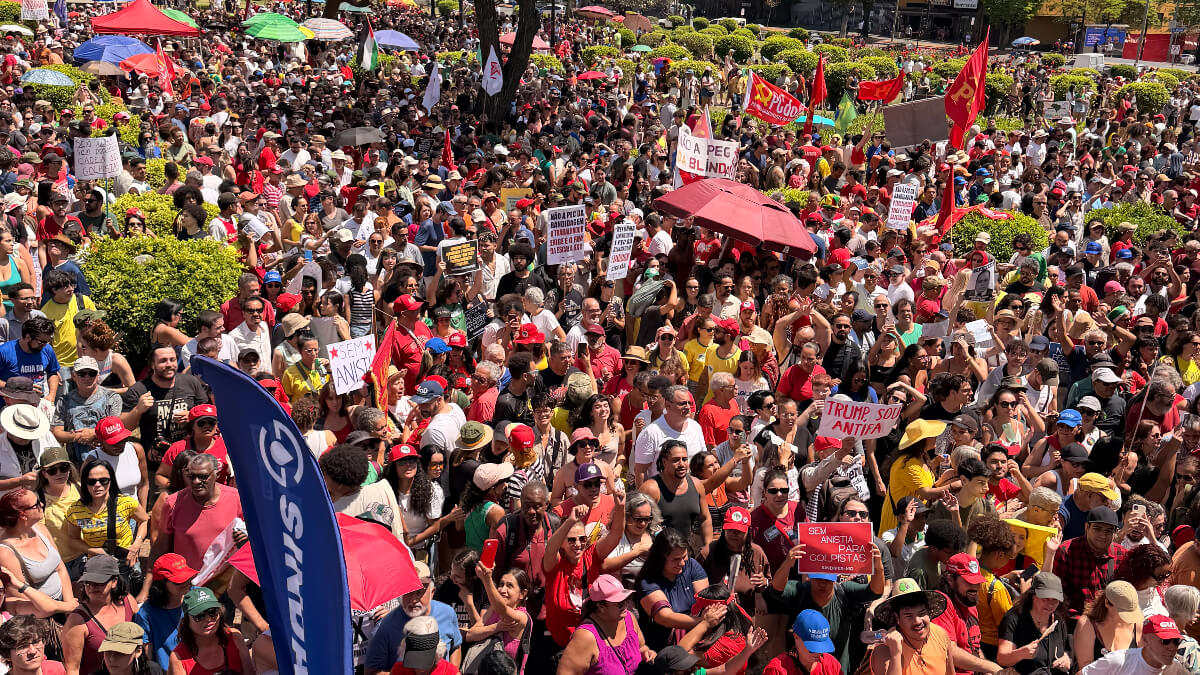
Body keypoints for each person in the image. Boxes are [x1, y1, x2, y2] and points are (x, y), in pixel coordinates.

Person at [364, 559, 462, 675]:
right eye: (408, 591)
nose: (414, 599)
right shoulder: (386, 625)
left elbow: (456, 647)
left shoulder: (447, 613)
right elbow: (371, 671)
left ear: (432, 592)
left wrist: (450, 671)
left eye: (420, 592)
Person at [556, 574, 653, 675]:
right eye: (620, 603)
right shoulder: (586, 637)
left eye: (626, 599)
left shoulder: (628, 618)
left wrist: (647, 653)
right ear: (601, 606)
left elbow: (641, 647)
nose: (625, 605)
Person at [62, 555, 138, 675]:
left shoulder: (128, 602)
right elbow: (72, 669)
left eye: (98, 583)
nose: (92, 587)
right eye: (88, 582)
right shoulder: (77, 620)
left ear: (114, 582)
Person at [996, 573, 1072, 675]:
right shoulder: (1014, 618)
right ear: (1033, 596)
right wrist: (1021, 654)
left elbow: (1066, 650)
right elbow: (1002, 658)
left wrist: (1067, 659)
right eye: (1045, 599)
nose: (1050, 605)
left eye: (1055, 600)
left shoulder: (1058, 619)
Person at [168, 587, 253, 675]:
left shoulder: (235, 637)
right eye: (199, 615)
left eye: (213, 611)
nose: (208, 619)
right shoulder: (178, 658)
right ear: (186, 621)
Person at [134, 553, 196, 671]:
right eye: (179, 581)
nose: (186, 583)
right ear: (162, 584)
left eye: (188, 578)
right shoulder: (146, 614)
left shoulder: (198, 597)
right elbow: (148, 656)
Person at [1073, 580, 1144, 670]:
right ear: (1107, 603)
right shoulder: (1087, 624)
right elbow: (1086, 669)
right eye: (1124, 612)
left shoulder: (1137, 623)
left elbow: (1142, 663)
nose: (1129, 617)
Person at [1081, 615, 1188, 674]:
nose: (1172, 647)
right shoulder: (1119, 661)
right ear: (1145, 640)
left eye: (1176, 641)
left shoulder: (1176, 669)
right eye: (1165, 641)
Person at [763, 610, 843, 675]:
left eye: (821, 648)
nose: (818, 653)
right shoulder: (777, 670)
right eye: (812, 649)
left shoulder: (831, 664)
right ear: (796, 637)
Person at [0, 614, 66, 675]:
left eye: (36, 642)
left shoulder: (57, 669)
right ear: (7, 655)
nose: (32, 651)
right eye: (23, 647)